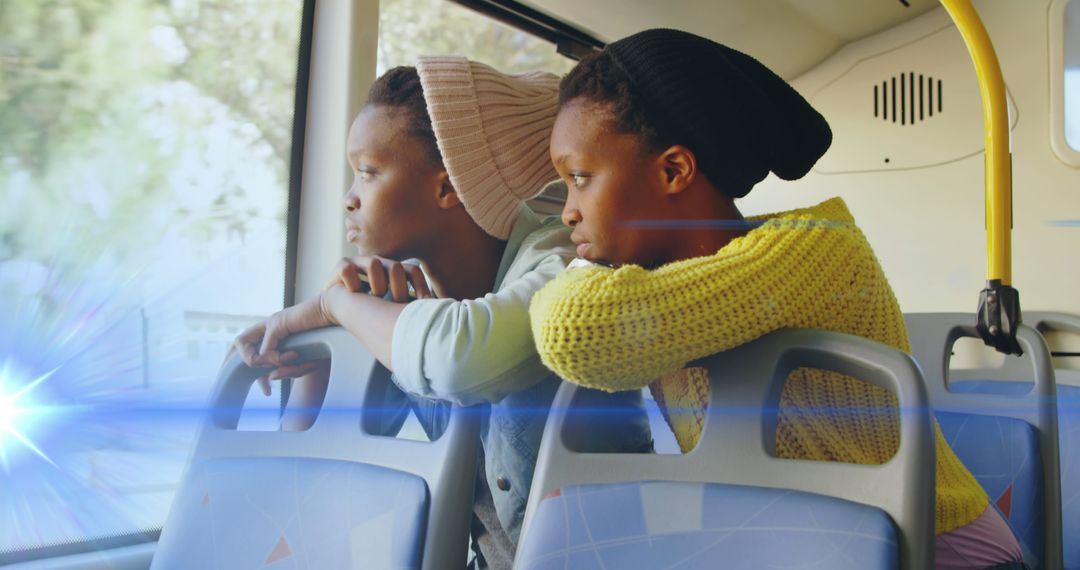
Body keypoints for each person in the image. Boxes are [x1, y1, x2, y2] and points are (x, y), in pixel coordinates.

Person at [528, 29, 1025, 570]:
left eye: (580, 178)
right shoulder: (653, 286)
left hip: (943, 550)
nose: (568, 211)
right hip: (809, 545)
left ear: (674, 170)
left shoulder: (817, 249)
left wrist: (576, 270)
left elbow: (570, 331)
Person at [232, 57, 651, 569]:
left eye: (367, 173)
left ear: (448, 187)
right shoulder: (405, 309)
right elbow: (306, 486)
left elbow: (461, 358)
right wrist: (323, 361)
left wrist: (332, 306)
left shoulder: (564, 261)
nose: (348, 199)